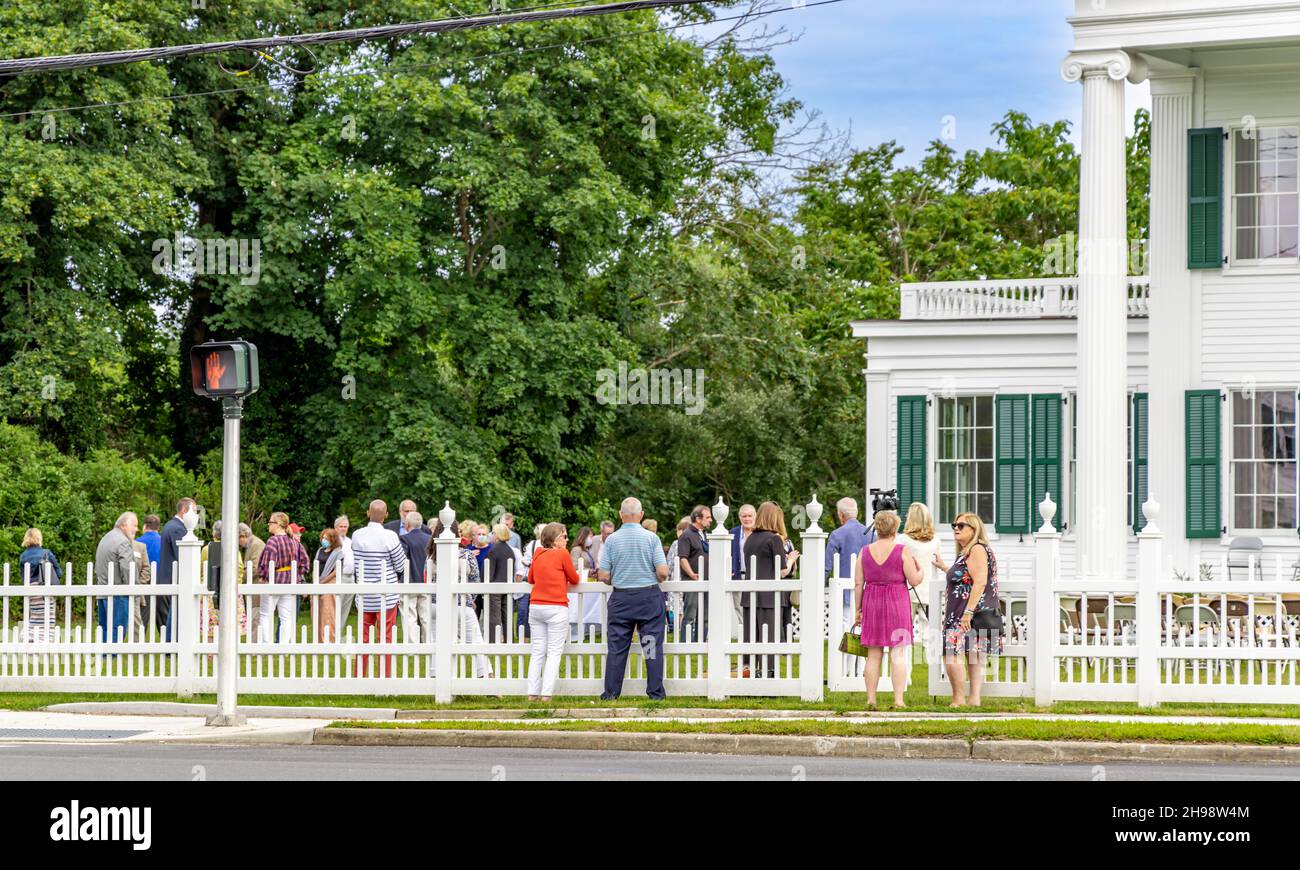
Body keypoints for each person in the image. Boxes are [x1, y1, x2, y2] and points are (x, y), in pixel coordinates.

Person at [598, 497, 669, 701]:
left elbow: (603, 575)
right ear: (641, 514)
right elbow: (663, 572)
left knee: (617, 646)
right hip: (648, 597)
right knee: (651, 645)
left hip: (621, 598)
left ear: (621, 515)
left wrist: (619, 576)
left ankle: (611, 693)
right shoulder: (651, 538)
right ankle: (655, 693)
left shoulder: (612, 540)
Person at [853, 510, 923, 707]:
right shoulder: (901, 550)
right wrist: (921, 569)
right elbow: (915, 580)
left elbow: (858, 584)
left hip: (872, 602)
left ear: (877, 529)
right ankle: (898, 700)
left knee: (873, 655)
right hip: (896, 602)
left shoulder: (864, 552)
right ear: (895, 529)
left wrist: (858, 610)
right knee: (897, 654)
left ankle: (871, 699)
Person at [935, 512, 1001, 707]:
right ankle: (973, 700)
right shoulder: (967, 552)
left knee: (952, 654)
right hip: (967, 612)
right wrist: (944, 567)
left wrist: (968, 613)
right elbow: (965, 577)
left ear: (974, 529)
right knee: (972, 654)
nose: (956, 528)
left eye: (961, 525)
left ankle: (959, 699)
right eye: (954, 524)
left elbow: (979, 582)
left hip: (967, 613)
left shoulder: (978, 549)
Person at [427, 520, 493, 678]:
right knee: (476, 642)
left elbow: (428, 580)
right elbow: (475, 580)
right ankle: (486, 677)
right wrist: (471, 599)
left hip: (436, 605)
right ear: (457, 534)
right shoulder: (466, 554)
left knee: (438, 643)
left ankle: (436, 676)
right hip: (461, 604)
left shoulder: (431, 556)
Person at [742, 502, 799, 677]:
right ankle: (768, 672)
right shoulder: (774, 539)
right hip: (769, 596)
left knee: (752, 636)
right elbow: (782, 571)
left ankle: (749, 670)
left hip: (749, 596)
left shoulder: (750, 538)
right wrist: (791, 559)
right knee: (769, 637)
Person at [526, 522, 580, 699]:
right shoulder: (562, 554)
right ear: (555, 540)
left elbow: (531, 578)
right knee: (554, 652)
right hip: (556, 606)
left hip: (536, 606)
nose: (566, 539)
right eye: (564, 536)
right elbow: (575, 578)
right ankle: (546, 694)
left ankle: (532, 693)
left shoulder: (538, 553)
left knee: (537, 651)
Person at [351, 501, 406, 675]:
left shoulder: (357, 535)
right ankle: (385, 675)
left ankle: (359, 674)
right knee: (386, 637)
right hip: (387, 596)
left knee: (363, 638)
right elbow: (400, 565)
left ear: (368, 513)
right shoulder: (390, 536)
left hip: (364, 595)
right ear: (386, 515)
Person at [256, 511, 311, 644]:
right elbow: (305, 562)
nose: (268, 524)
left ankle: (267, 644)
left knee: (265, 614)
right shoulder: (294, 541)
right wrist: (297, 574)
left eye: (271, 522)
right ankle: (284, 645)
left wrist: (263, 576)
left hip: (274, 582)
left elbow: (268, 562)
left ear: (279, 524)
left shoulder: (272, 541)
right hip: (289, 582)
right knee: (286, 616)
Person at [826, 497, 875, 630]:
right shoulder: (871, 535)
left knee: (846, 629)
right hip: (868, 592)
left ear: (841, 515)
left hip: (845, 593)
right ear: (857, 513)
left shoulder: (837, 534)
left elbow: (827, 566)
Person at [93, 512, 138, 646]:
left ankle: (105, 655)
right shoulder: (123, 542)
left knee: (105, 627)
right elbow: (127, 568)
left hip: (102, 591)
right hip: (118, 593)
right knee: (117, 629)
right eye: (134, 525)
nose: (136, 529)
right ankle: (112, 656)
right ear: (124, 525)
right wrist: (134, 589)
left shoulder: (105, 538)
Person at [157, 497, 195, 640]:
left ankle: (170, 643)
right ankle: (171, 643)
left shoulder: (170, 525)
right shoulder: (177, 529)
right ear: (184, 510)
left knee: (174, 613)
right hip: (174, 577)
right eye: (194, 511)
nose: (196, 516)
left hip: (169, 576)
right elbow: (183, 556)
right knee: (176, 614)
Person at [897, 502, 940, 622]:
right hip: (929, 589)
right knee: (927, 631)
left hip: (908, 589)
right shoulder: (936, 540)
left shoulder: (902, 540)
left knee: (903, 628)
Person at [677, 504, 712, 642]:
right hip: (692, 581)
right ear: (698, 518)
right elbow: (682, 558)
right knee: (690, 615)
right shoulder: (686, 535)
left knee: (705, 615)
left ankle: (701, 643)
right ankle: (685, 644)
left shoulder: (704, 535)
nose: (710, 520)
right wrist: (692, 574)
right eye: (708, 517)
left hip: (706, 580)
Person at [20, 528, 60, 642]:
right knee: (48, 616)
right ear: (39, 538)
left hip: (31, 591)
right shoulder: (46, 553)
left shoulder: (23, 556)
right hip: (44, 588)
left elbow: (23, 578)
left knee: (34, 615)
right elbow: (59, 572)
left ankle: (31, 637)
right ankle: (45, 638)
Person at [399, 511, 433, 644]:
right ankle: (428, 642)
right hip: (426, 581)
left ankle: (413, 644)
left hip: (410, 581)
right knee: (426, 615)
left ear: (407, 524)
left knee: (410, 615)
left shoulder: (404, 539)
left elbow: (402, 561)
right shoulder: (429, 539)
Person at [484, 523, 519, 642]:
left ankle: (493, 640)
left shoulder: (493, 550)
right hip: (507, 585)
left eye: (493, 533)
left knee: (494, 616)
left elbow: (489, 572)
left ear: (497, 535)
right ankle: (510, 639)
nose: (491, 535)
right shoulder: (510, 550)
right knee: (507, 615)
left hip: (495, 587)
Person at [317, 528, 352, 642]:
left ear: (333, 540)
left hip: (330, 583)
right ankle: (319, 639)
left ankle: (330, 638)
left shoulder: (338, 552)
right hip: (318, 582)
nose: (324, 540)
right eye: (323, 537)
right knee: (317, 612)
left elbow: (337, 571)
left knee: (328, 612)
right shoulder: (320, 551)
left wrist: (323, 581)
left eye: (326, 538)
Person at [729, 504, 757, 642]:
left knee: (756, 606)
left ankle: (756, 636)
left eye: (750, 515)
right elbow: (727, 554)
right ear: (740, 517)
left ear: (755, 516)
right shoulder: (732, 533)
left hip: (758, 576)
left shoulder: (760, 532)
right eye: (744, 516)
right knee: (740, 607)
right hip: (739, 576)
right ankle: (745, 637)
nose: (747, 519)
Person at [516, 523, 546, 641]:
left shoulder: (534, 545)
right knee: (526, 609)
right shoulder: (532, 544)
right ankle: (526, 636)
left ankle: (529, 636)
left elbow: (525, 562)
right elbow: (525, 562)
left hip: (536, 580)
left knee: (529, 610)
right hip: (532, 579)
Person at [568, 526, 596, 641]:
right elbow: (573, 566)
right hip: (578, 583)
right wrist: (587, 571)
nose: (592, 538)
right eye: (590, 536)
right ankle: (574, 634)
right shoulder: (577, 550)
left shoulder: (586, 550)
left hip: (587, 581)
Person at [239, 522, 266, 635]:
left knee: (256, 620)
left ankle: (257, 648)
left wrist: (239, 578)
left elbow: (255, 568)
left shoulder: (256, 545)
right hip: (253, 589)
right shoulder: (251, 545)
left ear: (243, 536)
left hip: (257, 589)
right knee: (253, 619)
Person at [664, 517, 689, 634]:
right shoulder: (692, 541)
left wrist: (666, 576)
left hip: (676, 577)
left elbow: (669, 562)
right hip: (686, 578)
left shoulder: (676, 543)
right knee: (682, 604)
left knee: (677, 604)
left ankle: (678, 627)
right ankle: (684, 628)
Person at [329, 516, 355, 633]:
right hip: (338, 577)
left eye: (345, 526)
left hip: (351, 578)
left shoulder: (350, 541)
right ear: (335, 527)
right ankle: (332, 635)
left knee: (345, 609)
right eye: (341, 526)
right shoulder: (332, 541)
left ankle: (338, 634)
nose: (343, 529)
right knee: (336, 608)